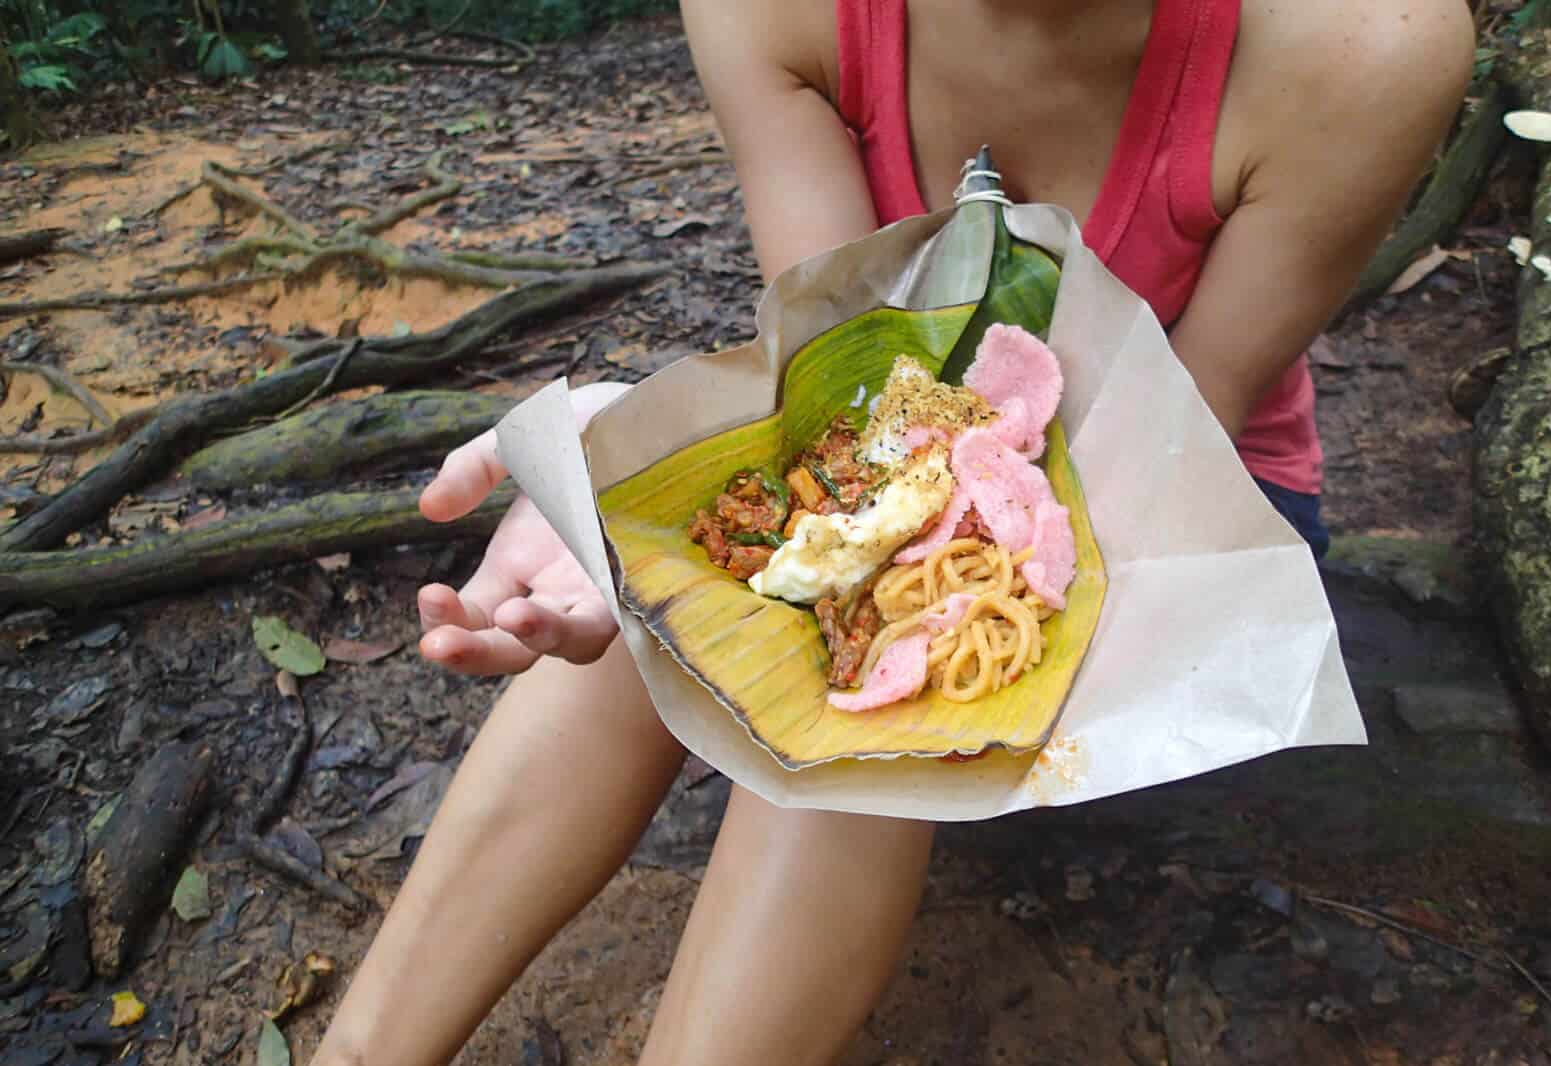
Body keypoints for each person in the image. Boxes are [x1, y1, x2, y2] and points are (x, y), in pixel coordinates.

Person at [310, 0, 1474, 1062]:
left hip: (1180, 500)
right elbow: (841, 391)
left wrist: (869, 557)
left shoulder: (1358, 41)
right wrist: (636, 461)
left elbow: (1172, 433)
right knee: (673, 585)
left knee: (871, 675)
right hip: (903, 442)